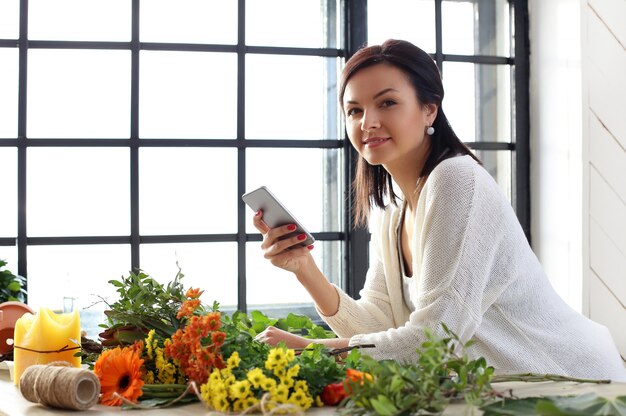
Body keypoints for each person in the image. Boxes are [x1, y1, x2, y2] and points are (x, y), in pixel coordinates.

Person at [252, 39, 626, 381]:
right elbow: (375, 325)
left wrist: (307, 350)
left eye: (387, 103)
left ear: (429, 109)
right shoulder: (391, 210)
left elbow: (434, 341)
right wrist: (305, 269)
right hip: (507, 390)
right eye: (354, 110)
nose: (368, 123)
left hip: (572, 382)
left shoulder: (457, 180)